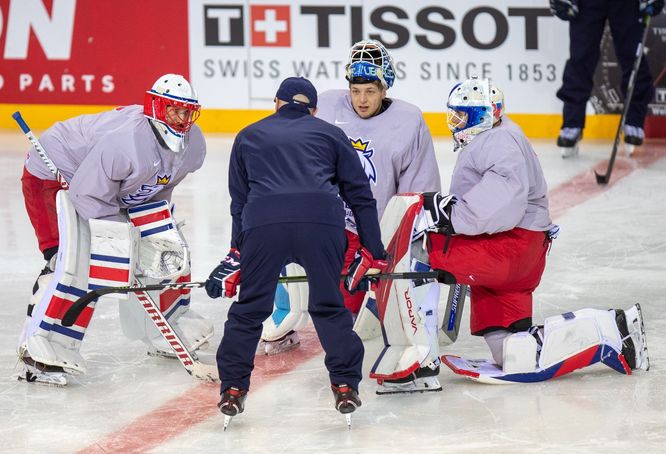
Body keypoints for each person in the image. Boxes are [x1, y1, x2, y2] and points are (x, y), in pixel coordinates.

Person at [366, 77, 649, 383]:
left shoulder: (498, 142)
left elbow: (503, 202)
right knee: (515, 354)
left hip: (511, 249)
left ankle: (420, 358)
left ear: (483, 116)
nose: (454, 121)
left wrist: (448, 216)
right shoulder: (494, 136)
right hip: (516, 251)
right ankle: (613, 329)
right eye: (454, 114)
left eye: (462, 115)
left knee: (420, 250)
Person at [258, 40, 442, 395]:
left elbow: (416, 192)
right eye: (355, 90)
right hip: (326, 218)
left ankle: (397, 338)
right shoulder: (326, 104)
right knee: (277, 241)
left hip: (371, 228)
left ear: (384, 88)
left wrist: (397, 240)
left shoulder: (408, 121)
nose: (361, 99)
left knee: (345, 302)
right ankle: (284, 315)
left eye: (370, 91)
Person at [205, 77, 387, 426]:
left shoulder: (248, 134)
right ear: (313, 109)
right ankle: (346, 384)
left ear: (276, 102)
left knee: (250, 310)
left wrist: (237, 252)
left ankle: (232, 389)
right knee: (329, 307)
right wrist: (373, 250)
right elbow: (360, 196)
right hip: (321, 223)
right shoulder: (332, 134)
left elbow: (239, 203)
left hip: (264, 224)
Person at [18, 74, 214, 386]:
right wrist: (121, 236)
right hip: (56, 177)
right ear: (155, 107)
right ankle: (41, 346)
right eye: (173, 111)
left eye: (187, 112)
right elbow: (86, 194)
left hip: (106, 183)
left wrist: (145, 229)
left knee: (163, 240)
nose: (181, 119)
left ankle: (167, 322)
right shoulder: (125, 143)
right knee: (70, 261)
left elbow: (160, 188)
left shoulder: (193, 145)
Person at [551, 0, 664, 157]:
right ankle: (572, 123)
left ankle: (634, 121)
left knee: (633, 57)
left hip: (626, 4)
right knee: (580, 58)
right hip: (586, 4)